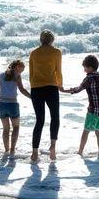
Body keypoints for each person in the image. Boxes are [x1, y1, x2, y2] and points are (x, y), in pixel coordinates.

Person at [61, 55, 99, 156]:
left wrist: (63, 90)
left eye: (85, 68)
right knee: (98, 132)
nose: (84, 70)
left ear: (90, 68)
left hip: (93, 111)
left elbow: (77, 89)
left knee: (86, 131)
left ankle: (80, 152)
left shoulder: (89, 79)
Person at [28, 29, 63, 162]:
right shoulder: (57, 52)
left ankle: (34, 153)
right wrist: (60, 84)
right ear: (52, 40)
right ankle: (52, 147)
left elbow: (31, 73)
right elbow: (58, 70)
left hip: (36, 88)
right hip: (51, 87)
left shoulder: (34, 53)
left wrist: (33, 86)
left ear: (41, 40)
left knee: (39, 120)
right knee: (55, 117)